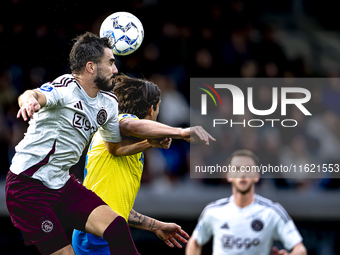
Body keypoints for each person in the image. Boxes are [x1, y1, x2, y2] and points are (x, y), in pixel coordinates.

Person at [6, 32, 214, 255]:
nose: (116, 69)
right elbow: (33, 95)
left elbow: (115, 147)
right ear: (91, 67)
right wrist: (27, 101)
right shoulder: (65, 88)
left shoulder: (108, 103)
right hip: (26, 186)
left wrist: (148, 143)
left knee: (116, 227)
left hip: (61, 183)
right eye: (111, 62)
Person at [72, 74, 192, 254]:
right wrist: (180, 132)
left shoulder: (126, 148)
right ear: (151, 110)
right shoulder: (119, 122)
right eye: (158, 109)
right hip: (96, 233)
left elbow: (117, 207)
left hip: (97, 230)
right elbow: (129, 125)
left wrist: (156, 226)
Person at [185, 150, 307, 255]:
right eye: (237, 169)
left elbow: (300, 249)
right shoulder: (213, 211)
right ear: (229, 175)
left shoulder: (272, 211)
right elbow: (195, 242)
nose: (243, 174)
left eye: (248, 169)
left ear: (256, 176)